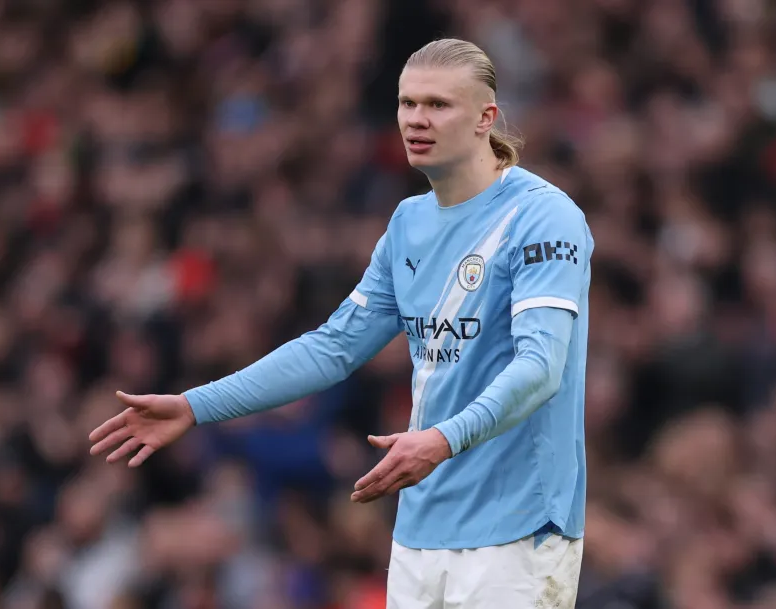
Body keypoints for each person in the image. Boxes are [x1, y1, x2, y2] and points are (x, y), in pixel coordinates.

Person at [89, 38, 593, 608]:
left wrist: (442, 440)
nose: (416, 120)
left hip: (518, 529)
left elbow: (541, 366)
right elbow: (332, 348)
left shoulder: (542, 216)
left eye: (438, 104)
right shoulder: (408, 224)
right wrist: (195, 405)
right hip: (420, 532)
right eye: (407, 104)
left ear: (486, 117)